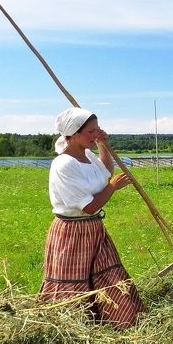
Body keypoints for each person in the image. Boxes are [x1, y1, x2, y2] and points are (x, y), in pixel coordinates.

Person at [39, 107, 145, 329]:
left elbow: (105, 172)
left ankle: (121, 323)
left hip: (94, 229)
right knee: (73, 284)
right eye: (91, 131)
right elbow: (89, 206)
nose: (95, 133)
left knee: (109, 274)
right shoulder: (64, 164)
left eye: (97, 129)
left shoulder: (86, 156)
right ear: (74, 134)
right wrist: (113, 187)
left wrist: (102, 144)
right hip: (72, 232)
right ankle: (72, 329)